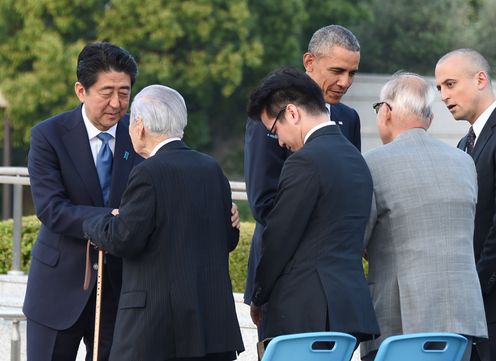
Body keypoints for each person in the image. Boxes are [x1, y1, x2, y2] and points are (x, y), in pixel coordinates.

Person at [82, 85, 244, 361]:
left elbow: (124, 238)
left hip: (157, 329)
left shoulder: (147, 173)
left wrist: (95, 223)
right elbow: (228, 240)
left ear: (140, 125)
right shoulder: (211, 168)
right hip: (211, 326)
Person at [23, 42, 141, 361]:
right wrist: (115, 218)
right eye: (106, 92)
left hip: (121, 294)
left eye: (125, 92)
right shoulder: (49, 135)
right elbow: (51, 209)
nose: (116, 103)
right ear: (81, 90)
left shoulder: (141, 134)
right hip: (56, 290)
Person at [247, 67, 379, 344]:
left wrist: (259, 295)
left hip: (304, 311)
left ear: (292, 113)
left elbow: (279, 237)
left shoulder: (304, 161)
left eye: (275, 129)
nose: (280, 140)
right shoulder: (356, 159)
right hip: (347, 309)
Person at [361, 72, 488, 361]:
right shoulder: (464, 162)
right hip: (462, 319)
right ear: (428, 119)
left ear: (387, 112)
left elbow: (358, 241)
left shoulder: (372, 164)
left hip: (399, 321)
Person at [435, 48, 496, 361]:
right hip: (471, 304)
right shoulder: (464, 144)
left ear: (481, 79)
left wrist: (476, 283)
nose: (444, 96)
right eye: (439, 88)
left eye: (450, 84)